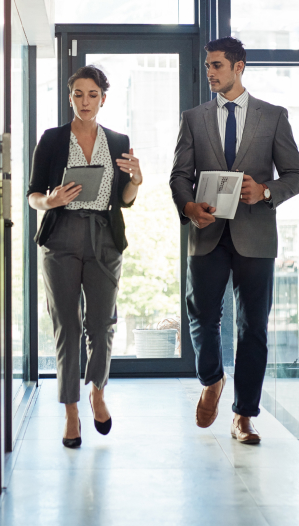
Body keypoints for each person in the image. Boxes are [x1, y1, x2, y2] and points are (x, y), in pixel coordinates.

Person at [170, 37, 299, 444]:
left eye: (217, 66)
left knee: (253, 327)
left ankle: (244, 416)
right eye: (208, 66)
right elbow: (178, 176)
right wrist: (190, 207)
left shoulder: (273, 116)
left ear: (239, 66)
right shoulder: (193, 118)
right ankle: (212, 379)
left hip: (255, 234)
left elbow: (295, 174)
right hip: (207, 232)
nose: (210, 72)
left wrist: (264, 191)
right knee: (201, 316)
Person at [27, 65, 143, 448]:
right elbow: (32, 195)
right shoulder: (52, 139)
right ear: (70, 96)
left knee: (101, 324)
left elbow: (123, 200)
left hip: (104, 237)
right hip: (60, 236)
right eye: (78, 94)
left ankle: (97, 391)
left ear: (103, 98)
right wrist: (51, 199)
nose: (85, 101)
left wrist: (137, 182)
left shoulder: (118, 140)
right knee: (68, 326)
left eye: (92, 94)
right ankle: (71, 411)